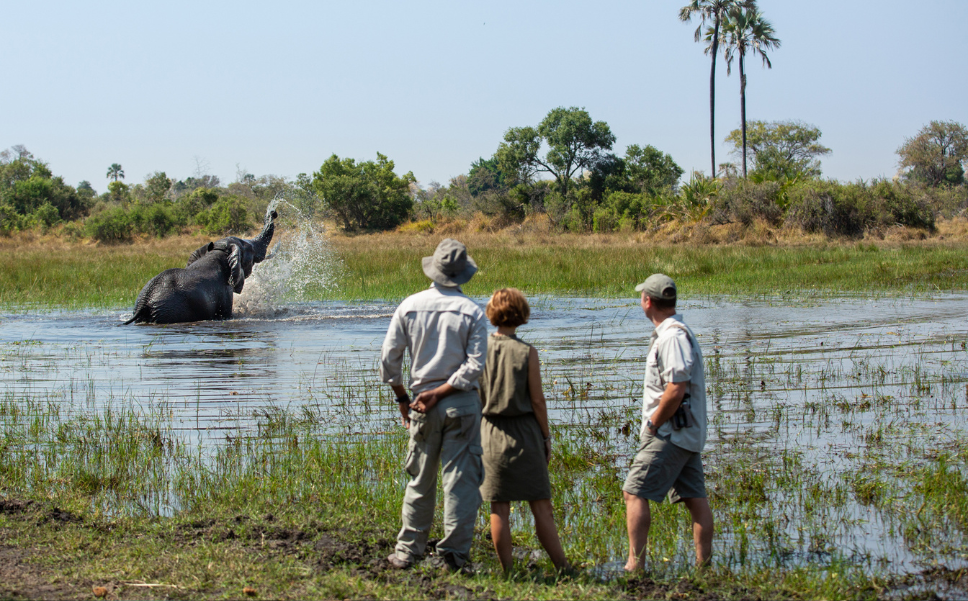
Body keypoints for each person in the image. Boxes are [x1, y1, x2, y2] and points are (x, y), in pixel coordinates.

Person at [379, 238, 488, 572]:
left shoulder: (409, 306)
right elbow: (476, 365)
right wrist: (443, 391)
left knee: (420, 479)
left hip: (422, 403)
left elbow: (388, 360)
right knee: (461, 482)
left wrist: (403, 398)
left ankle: (407, 551)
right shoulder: (473, 311)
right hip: (463, 406)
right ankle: (454, 554)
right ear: (463, 274)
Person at [623, 273, 713, 572]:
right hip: (684, 432)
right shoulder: (673, 332)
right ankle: (704, 566)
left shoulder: (672, 337)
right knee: (694, 497)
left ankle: (635, 566)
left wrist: (652, 425)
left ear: (647, 301)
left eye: (641, 296)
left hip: (670, 433)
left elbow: (676, 388)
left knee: (634, 492)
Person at [478, 288, 570, 574]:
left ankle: (507, 571)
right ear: (521, 314)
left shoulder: (479, 350)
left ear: (492, 314)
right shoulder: (528, 352)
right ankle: (563, 568)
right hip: (526, 433)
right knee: (541, 507)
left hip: (490, 433)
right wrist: (546, 436)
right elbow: (538, 401)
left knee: (499, 509)